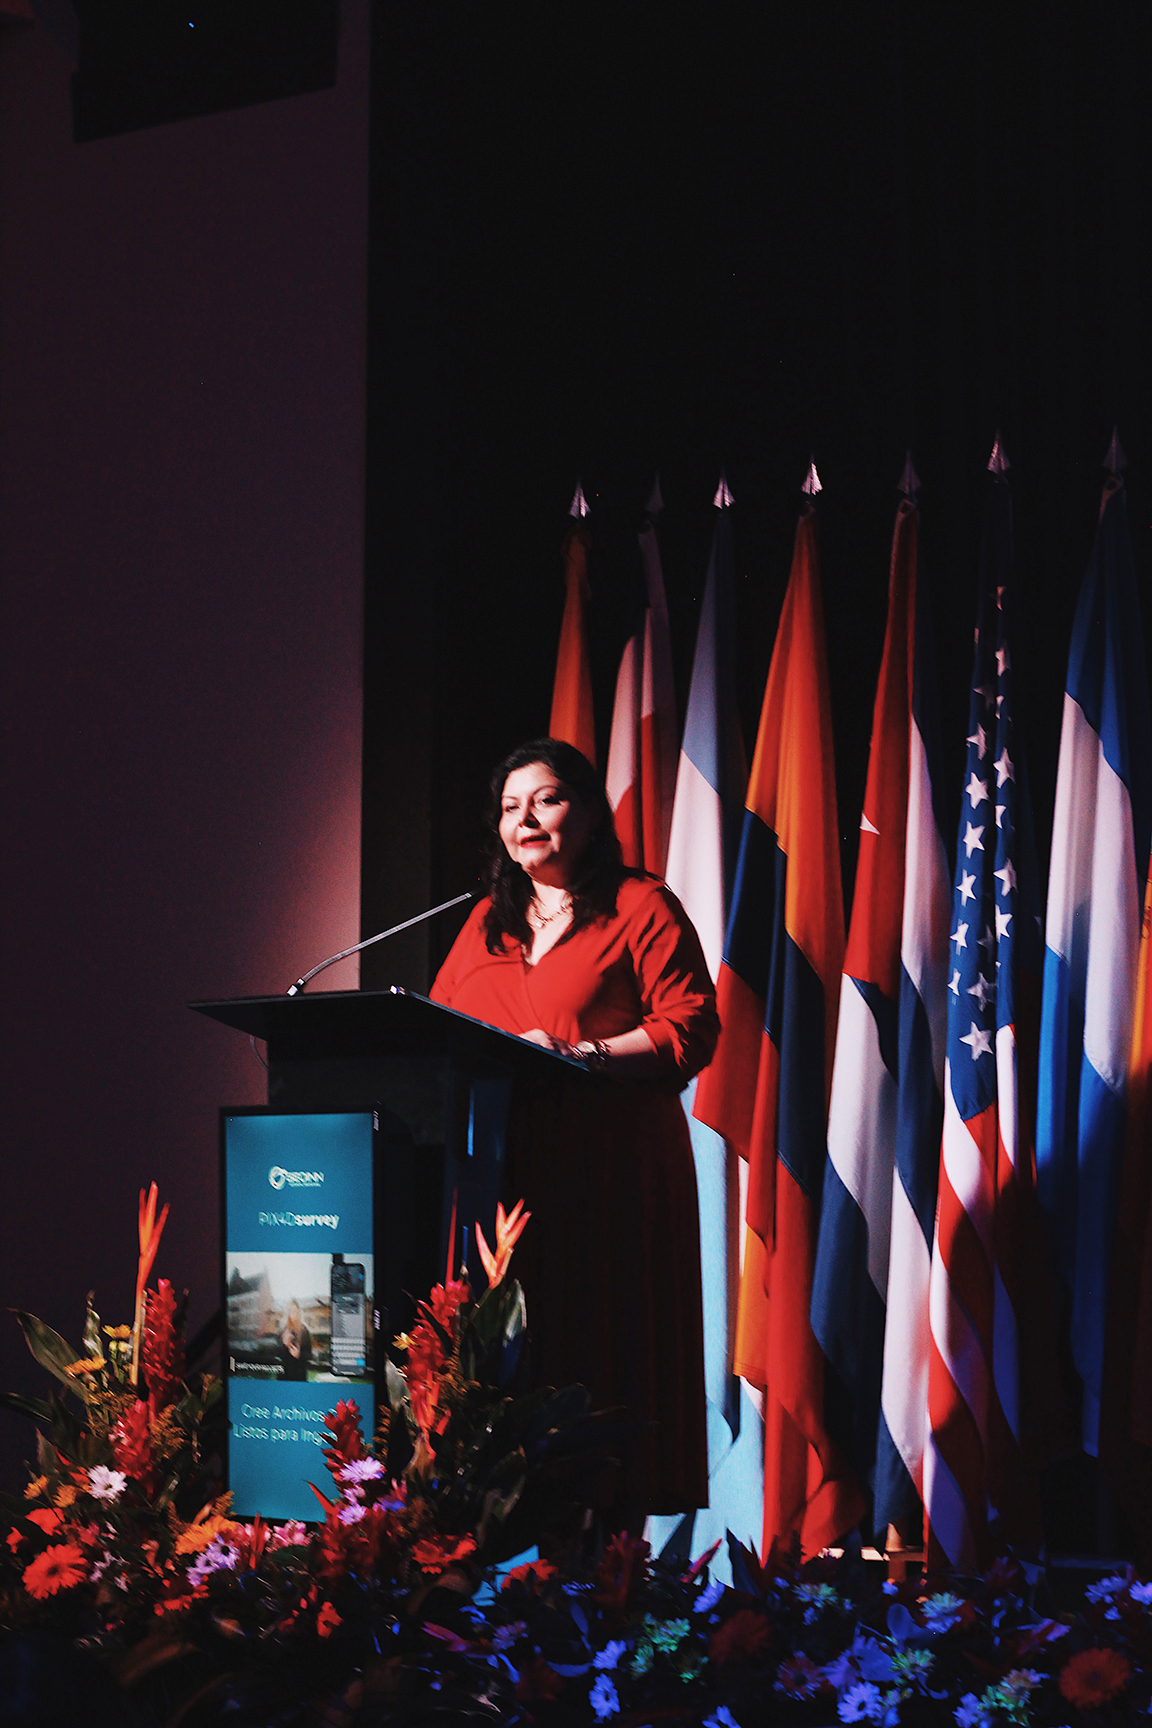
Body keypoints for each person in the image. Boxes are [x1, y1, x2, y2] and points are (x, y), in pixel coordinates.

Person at [430, 738, 718, 1520]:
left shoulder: (640, 906)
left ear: (589, 815)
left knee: (598, 1350)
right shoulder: (484, 925)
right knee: (511, 1364)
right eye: (509, 806)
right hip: (501, 1179)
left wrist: (582, 1053)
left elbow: (691, 1026)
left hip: (608, 1173)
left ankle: (604, 1559)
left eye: (546, 799)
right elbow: (436, 1033)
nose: (524, 819)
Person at [277, 1298, 312, 1382]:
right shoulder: (282, 1330)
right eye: (292, 1311)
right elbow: (276, 1354)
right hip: (284, 1376)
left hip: (299, 1375)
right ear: (288, 1313)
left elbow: (309, 1355)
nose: (294, 1314)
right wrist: (284, 1344)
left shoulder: (304, 1331)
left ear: (300, 1312)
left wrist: (299, 1355)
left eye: (296, 1311)